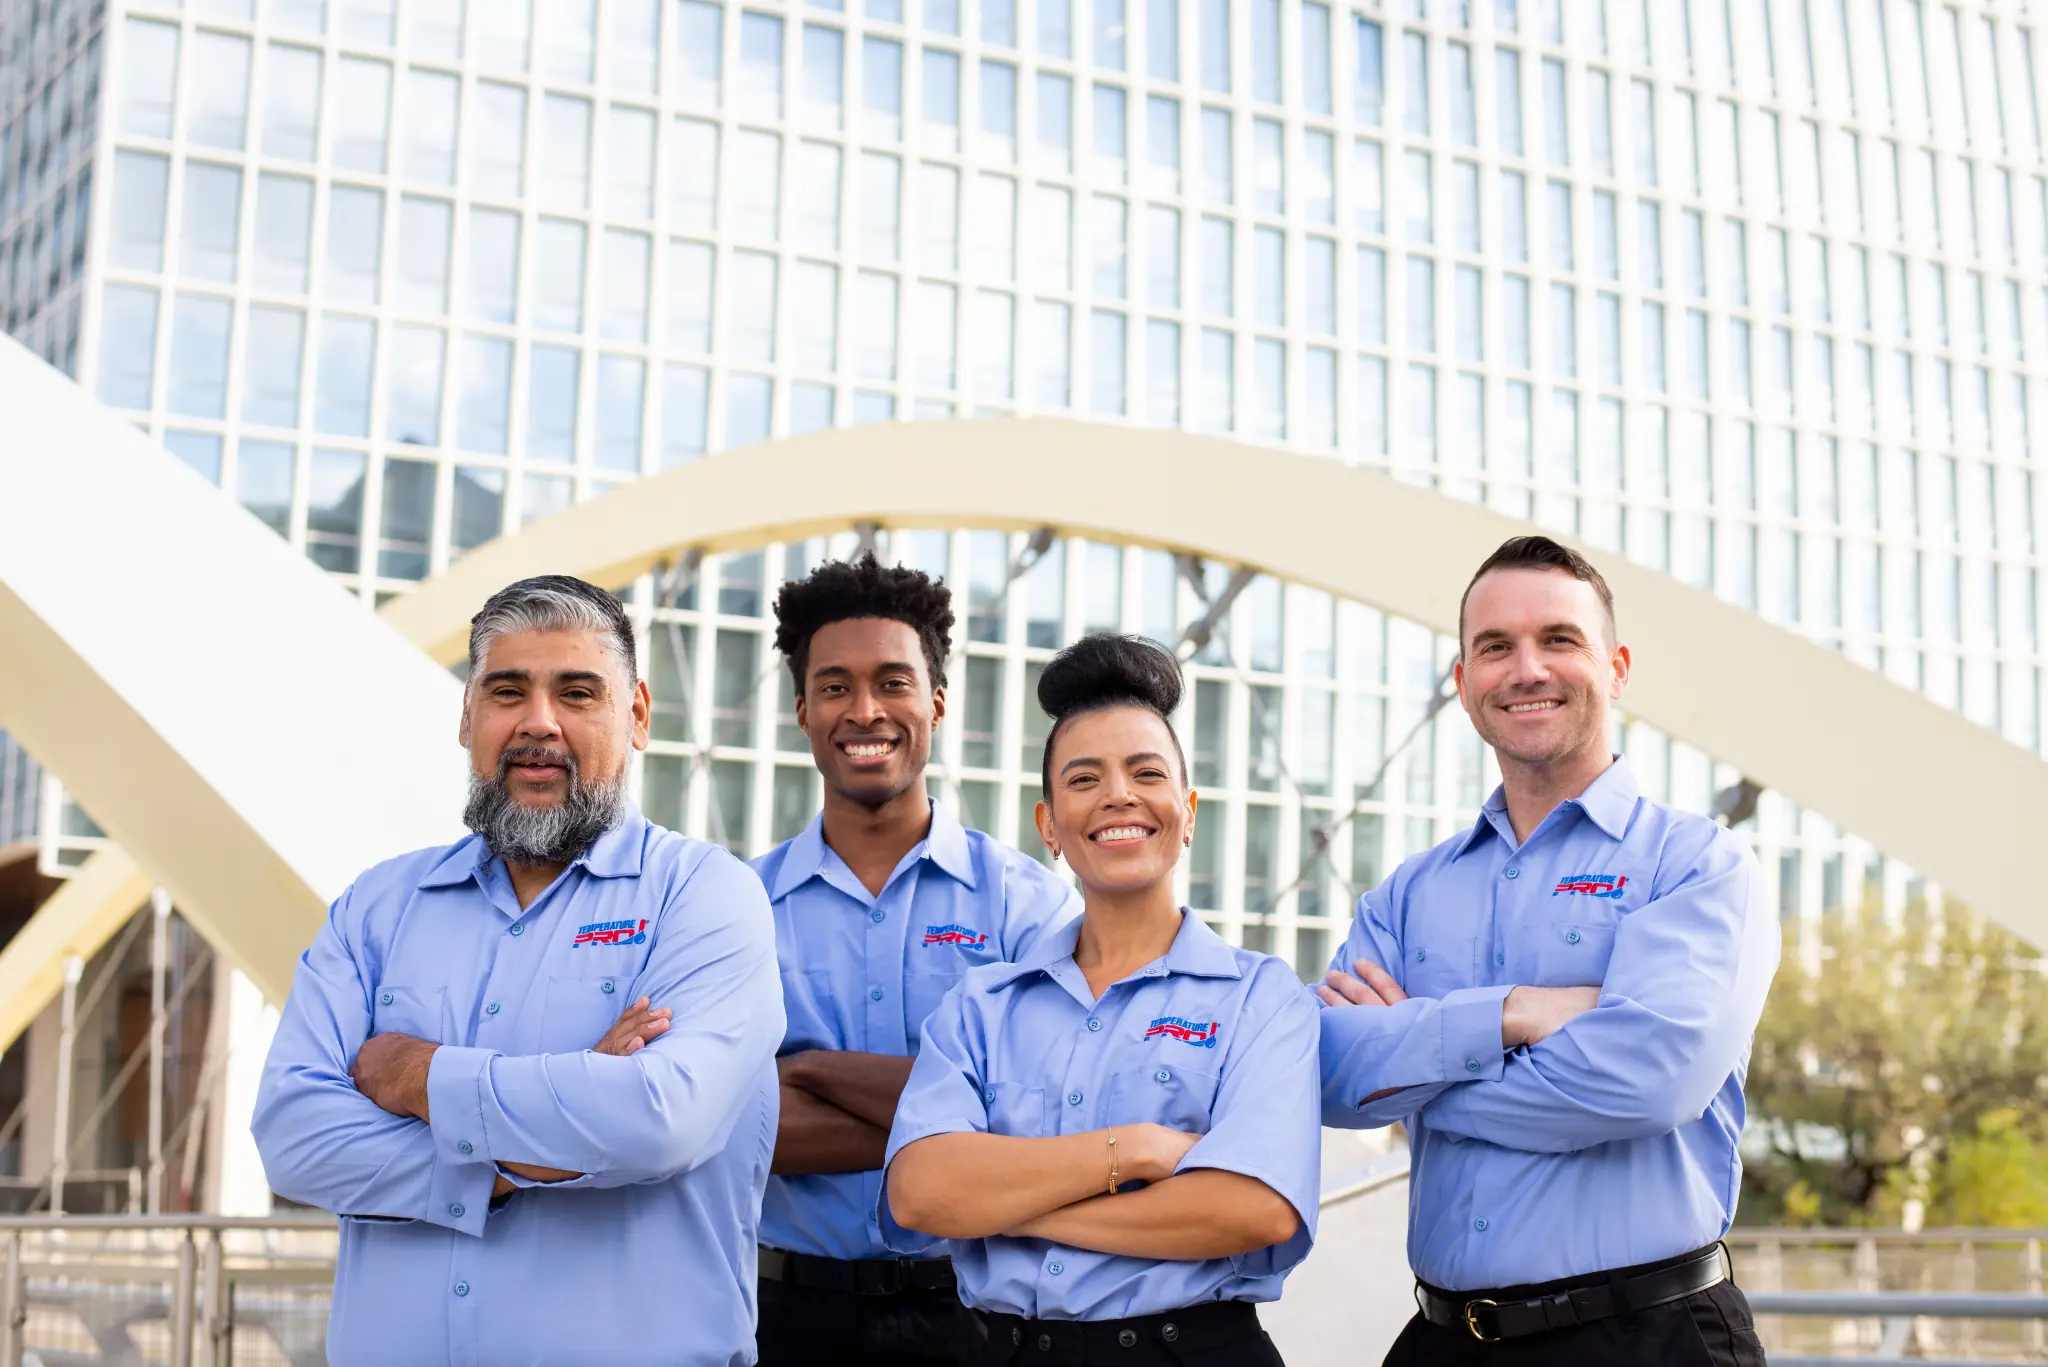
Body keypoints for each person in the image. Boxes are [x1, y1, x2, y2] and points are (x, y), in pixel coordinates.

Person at [252, 575, 784, 1367]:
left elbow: (658, 1118)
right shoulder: (376, 907)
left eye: (576, 693)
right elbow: (293, 1134)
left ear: (636, 715)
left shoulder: (706, 897)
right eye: (508, 691)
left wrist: (417, 1076)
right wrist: (523, 1151)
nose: (539, 723)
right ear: (468, 716)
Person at [1317, 536, 1780, 1366]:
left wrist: (1426, 1073)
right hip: (1440, 1342)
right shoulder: (1408, 894)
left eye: (1558, 640)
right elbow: (1333, 1074)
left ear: (1617, 665)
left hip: (1652, 1337)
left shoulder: (1696, 866)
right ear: (1463, 683)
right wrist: (1514, 1015)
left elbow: (1648, 1080)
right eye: (1495, 647)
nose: (1526, 668)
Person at [883, 634, 1321, 1367]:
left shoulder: (1262, 997)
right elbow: (921, 1193)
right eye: (1084, 778)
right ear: (1049, 825)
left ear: (1187, 811)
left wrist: (1017, 1207)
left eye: (1145, 772)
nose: (1118, 793)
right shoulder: (982, 1006)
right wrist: (1139, 1151)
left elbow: (1256, 1207)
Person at [751, 554, 1079, 1367]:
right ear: (802, 709)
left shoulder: (1025, 904)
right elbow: (724, 1119)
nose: (865, 710)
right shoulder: (736, 907)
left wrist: (810, 1072)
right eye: (835, 686)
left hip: (974, 1317)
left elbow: (1042, 1116)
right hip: (779, 1317)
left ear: (934, 700)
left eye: (892, 682)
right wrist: (955, 1128)